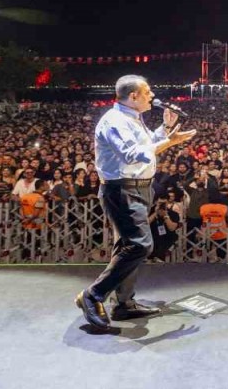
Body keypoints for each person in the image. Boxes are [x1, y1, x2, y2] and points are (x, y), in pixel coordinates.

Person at [76, 76, 195, 330]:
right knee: (140, 245)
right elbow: (131, 155)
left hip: (139, 189)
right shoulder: (114, 121)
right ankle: (93, 295)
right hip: (122, 190)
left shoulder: (132, 118)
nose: (152, 95)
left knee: (128, 246)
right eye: (147, 92)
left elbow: (144, 144)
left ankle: (124, 304)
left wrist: (163, 131)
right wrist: (170, 142)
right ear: (133, 97)